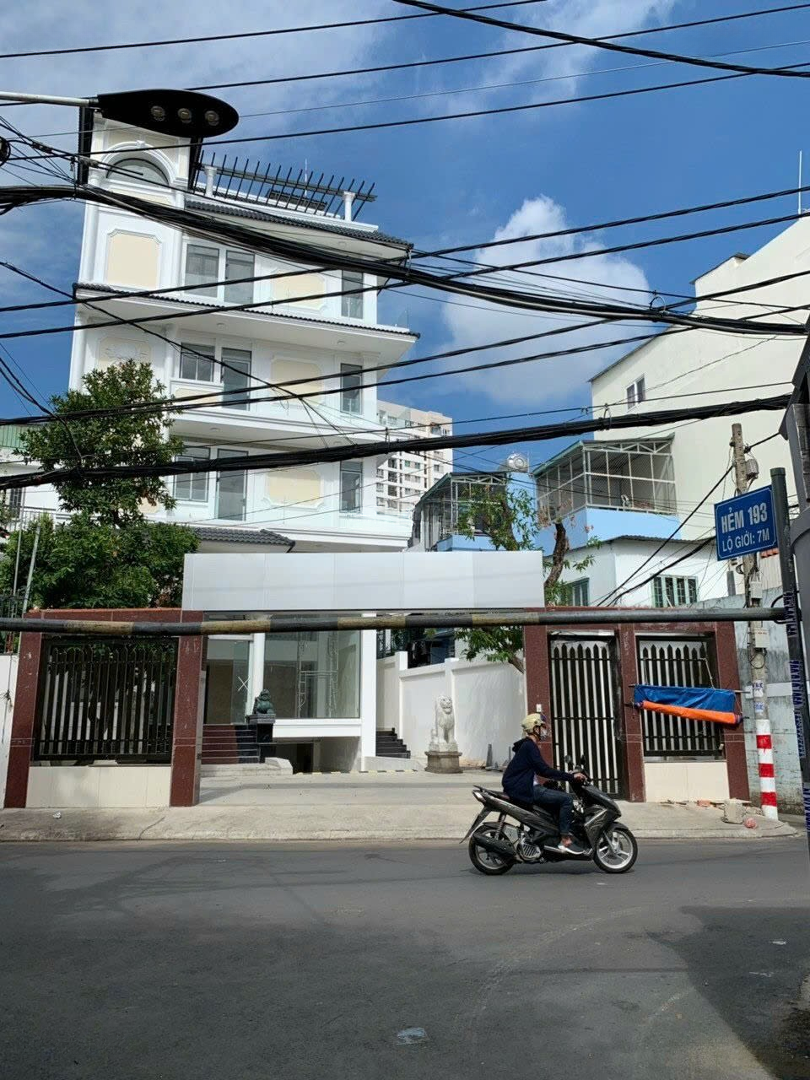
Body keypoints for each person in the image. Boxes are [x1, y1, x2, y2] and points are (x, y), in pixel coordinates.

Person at [502, 713, 588, 854]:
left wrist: (565, 775)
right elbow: (544, 770)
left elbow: (538, 769)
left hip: (524, 787)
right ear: (534, 728)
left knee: (556, 794)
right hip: (527, 789)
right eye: (542, 727)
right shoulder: (529, 746)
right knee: (566, 799)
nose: (545, 730)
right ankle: (565, 839)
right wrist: (571, 777)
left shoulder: (527, 746)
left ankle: (548, 834)